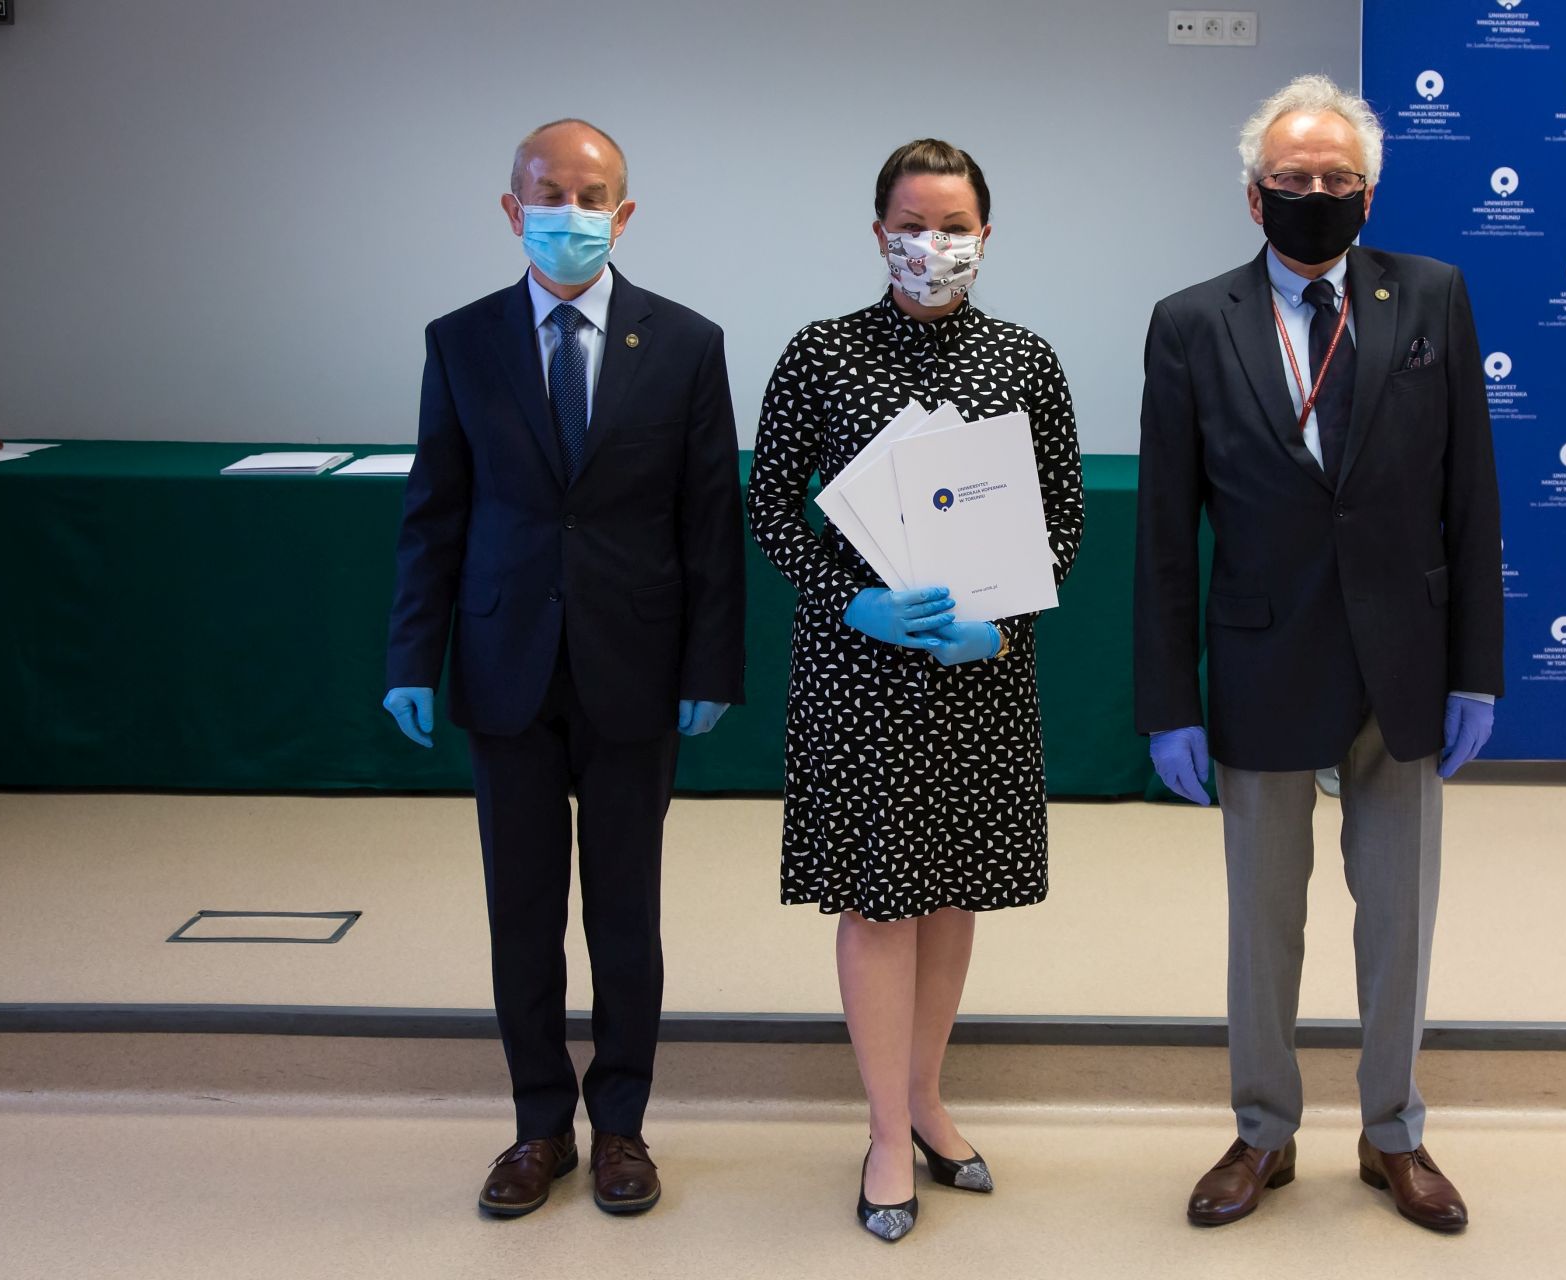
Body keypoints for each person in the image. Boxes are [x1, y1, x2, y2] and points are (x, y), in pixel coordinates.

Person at [1133, 75, 1502, 1234]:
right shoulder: (1191, 322)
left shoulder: (1433, 296)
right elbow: (1164, 530)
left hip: (1405, 661)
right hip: (1261, 658)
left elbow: (1471, 496)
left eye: (1337, 177)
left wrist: (1477, 668)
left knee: (1398, 917)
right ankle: (1262, 1127)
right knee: (1264, 920)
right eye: (1292, 178)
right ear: (1255, 197)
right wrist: (1168, 698)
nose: (1316, 192)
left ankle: (1394, 1130)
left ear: (1369, 192)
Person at [382, 118, 745, 1219]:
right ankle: (539, 1124)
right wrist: (412, 654)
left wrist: (713, 664)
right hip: (505, 665)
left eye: (593, 197)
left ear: (624, 214)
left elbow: (710, 521)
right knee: (523, 910)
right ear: (512, 208)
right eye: (549, 193)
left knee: (625, 912)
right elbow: (435, 510)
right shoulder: (461, 340)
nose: (570, 214)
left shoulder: (686, 342)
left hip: (636, 665)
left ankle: (622, 1123)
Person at [746, 138, 1084, 1242]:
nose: (931, 245)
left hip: (978, 675)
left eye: (953, 227)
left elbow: (1065, 518)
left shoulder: (1025, 359)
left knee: (953, 894)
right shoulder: (822, 353)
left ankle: (930, 1095)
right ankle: (886, 1131)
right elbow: (768, 508)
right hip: (860, 674)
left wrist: (1006, 623)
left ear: (987, 236)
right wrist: (850, 600)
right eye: (910, 225)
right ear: (877, 232)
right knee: (880, 898)